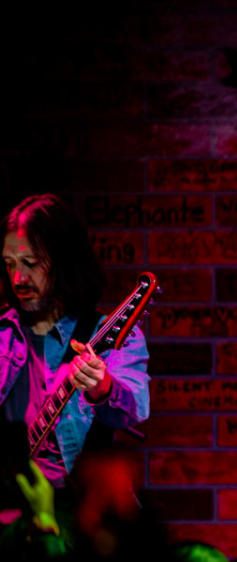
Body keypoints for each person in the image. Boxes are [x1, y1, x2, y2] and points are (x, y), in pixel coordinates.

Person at [0, 194, 149, 491]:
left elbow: (136, 409)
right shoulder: (3, 335)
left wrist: (102, 387)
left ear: (63, 261)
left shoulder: (108, 336)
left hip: (79, 509)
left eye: (30, 263)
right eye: (9, 264)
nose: (18, 278)